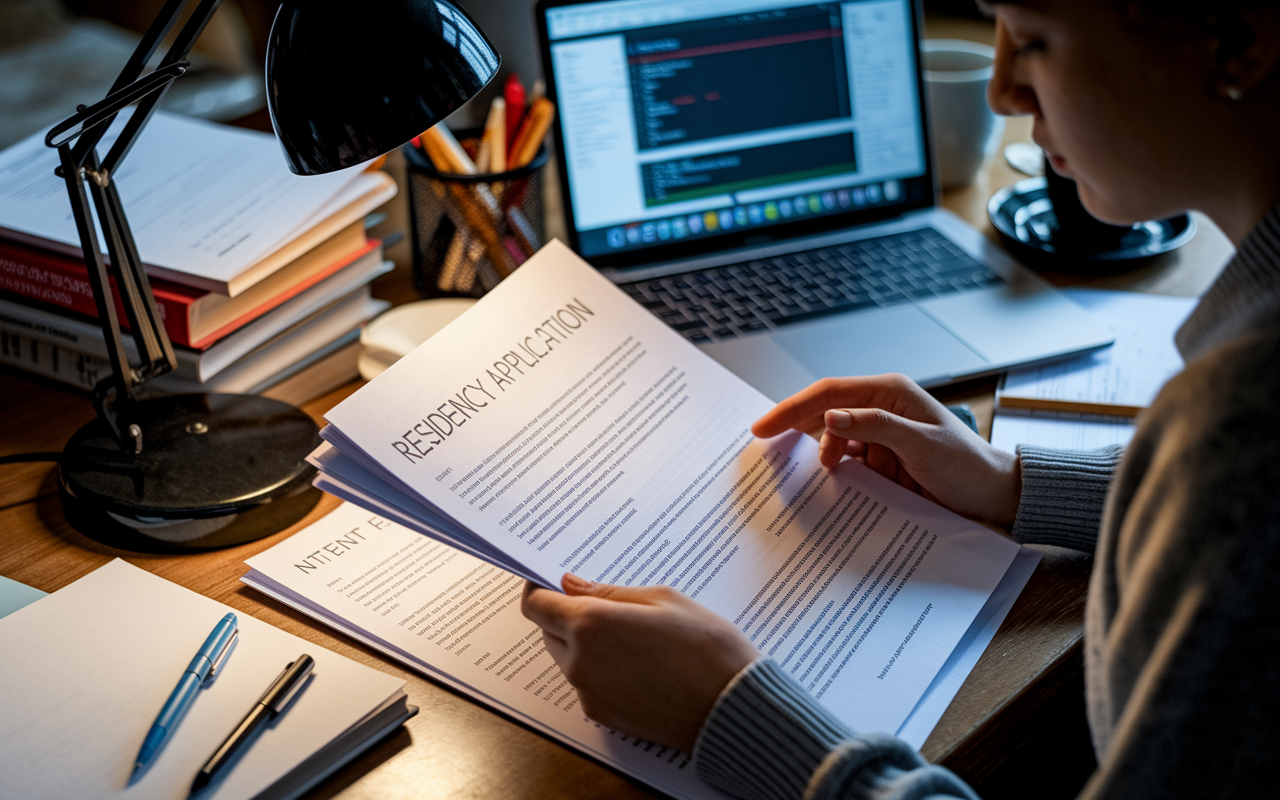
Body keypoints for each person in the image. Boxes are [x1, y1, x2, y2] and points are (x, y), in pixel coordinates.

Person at [521, 1, 1280, 797]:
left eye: (1034, 40)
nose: (1003, 94)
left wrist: (727, 711)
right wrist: (1009, 482)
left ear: (1239, 40)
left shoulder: (1238, 422)